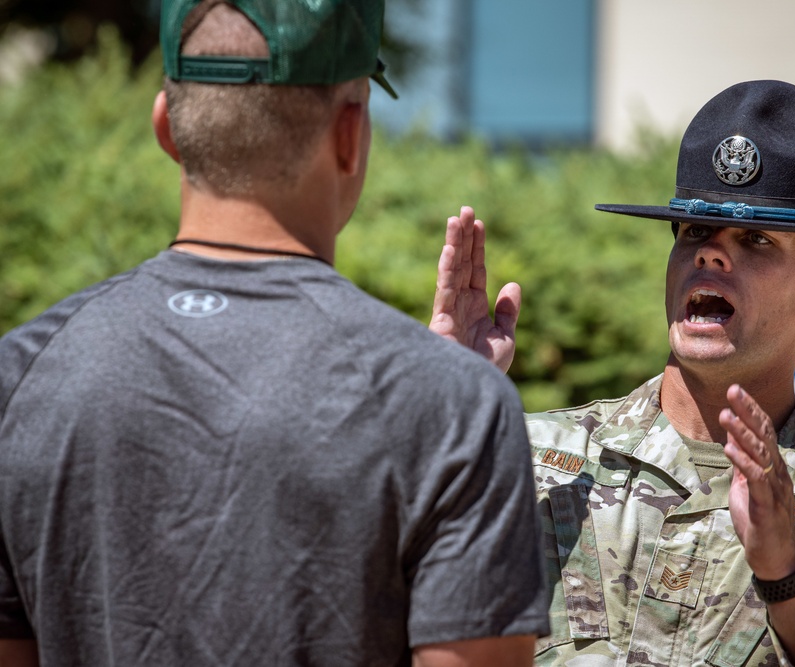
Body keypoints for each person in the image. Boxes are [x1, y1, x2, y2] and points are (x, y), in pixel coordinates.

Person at [0, 1, 549, 665]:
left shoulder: (19, 376)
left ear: (167, 128)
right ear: (350, 135)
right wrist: (440, 398)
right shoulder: (453, 409)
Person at [431, 80, 795, 667]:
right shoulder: (525, 460)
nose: (710, 255)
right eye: (694, 231)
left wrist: (788, 579)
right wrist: (439, 418)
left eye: (755, 240)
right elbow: (359, 596)